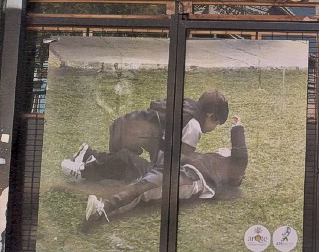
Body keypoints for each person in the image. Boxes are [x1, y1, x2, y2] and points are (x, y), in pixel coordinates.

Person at [84, 117, 248, 223]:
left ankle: (102, 209)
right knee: (128, 159)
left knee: (146, 186)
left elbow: (241, 158)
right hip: (172, 167)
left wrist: (237, 128)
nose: (222, 150)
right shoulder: (209, 159)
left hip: (189, 177)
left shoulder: (228, 170)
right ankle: (87, 164)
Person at [61, 89, 229, 182]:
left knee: (128, 165)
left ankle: (88, 154)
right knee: (136, 170)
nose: (213, 128)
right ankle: (84, 170)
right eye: (216, 123)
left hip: (121, 129)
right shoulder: (194, 127)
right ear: (211, 116)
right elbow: (173, 164)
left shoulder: (187, 106)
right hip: (128, 138)